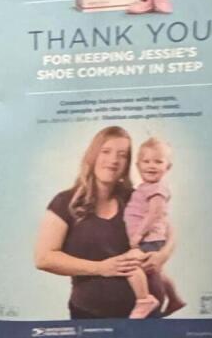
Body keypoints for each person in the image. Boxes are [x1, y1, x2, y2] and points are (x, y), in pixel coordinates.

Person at [34, 125, 144, 320]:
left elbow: (167, 231)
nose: (113, 160)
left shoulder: (134, 199)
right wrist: (101, 268)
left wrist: (162, 255)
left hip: (140, 316)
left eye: (122, 154)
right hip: (87, 315)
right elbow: (44, 258)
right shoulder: (65, 202)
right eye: (106, 151)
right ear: (93, 155)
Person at [124, 135, 185, 317]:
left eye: (158, 162)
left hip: (148, 239)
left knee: (129, 264)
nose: (151, 165)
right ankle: (175, 299)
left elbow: (155, 213)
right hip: (150, 239)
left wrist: (138, 235)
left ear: (168, 167)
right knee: (157, 272)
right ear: (137, 165)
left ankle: (144, 299)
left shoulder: (157, 188)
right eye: (146, 161)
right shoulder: (144, 187)